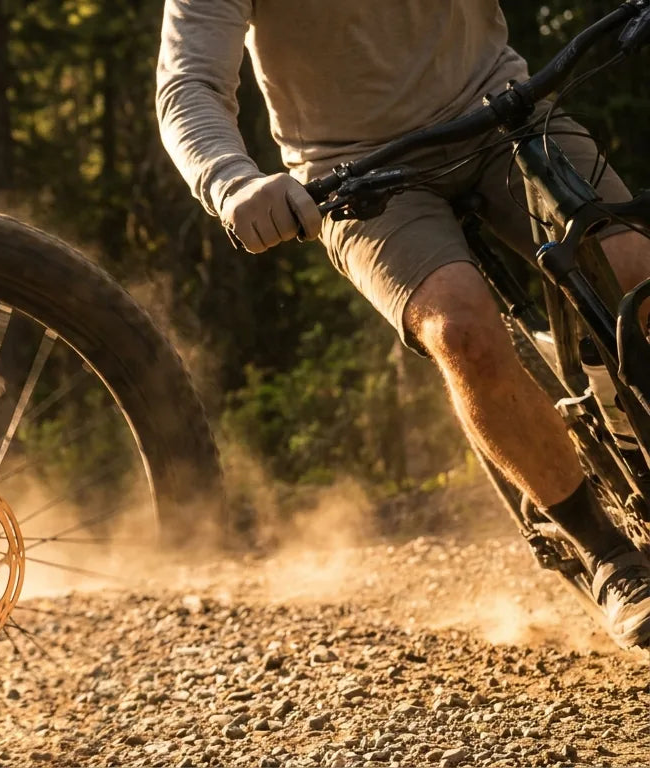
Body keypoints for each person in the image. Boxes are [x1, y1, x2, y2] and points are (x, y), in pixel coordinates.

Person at [155, 0, 650, 648]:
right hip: (354, 172)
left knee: (635, 273)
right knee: (461, 331)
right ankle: (605, 552)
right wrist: (231, 182)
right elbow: (187, 84)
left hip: (505, 110)